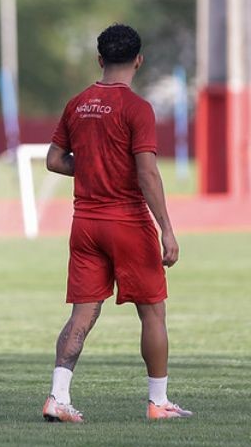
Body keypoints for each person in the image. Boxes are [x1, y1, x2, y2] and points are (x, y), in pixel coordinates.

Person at [42, 23, 191, 422]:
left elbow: (54, 160)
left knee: (82, 314)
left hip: (85, 224)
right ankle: (158, 402)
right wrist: (167, 228)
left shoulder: (77, 103)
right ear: (138, 60)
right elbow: (147, 172)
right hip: (127, 221)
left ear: (100, 59)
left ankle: (58, 397)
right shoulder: (137, 108)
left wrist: (92, 166)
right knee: (152, 313)